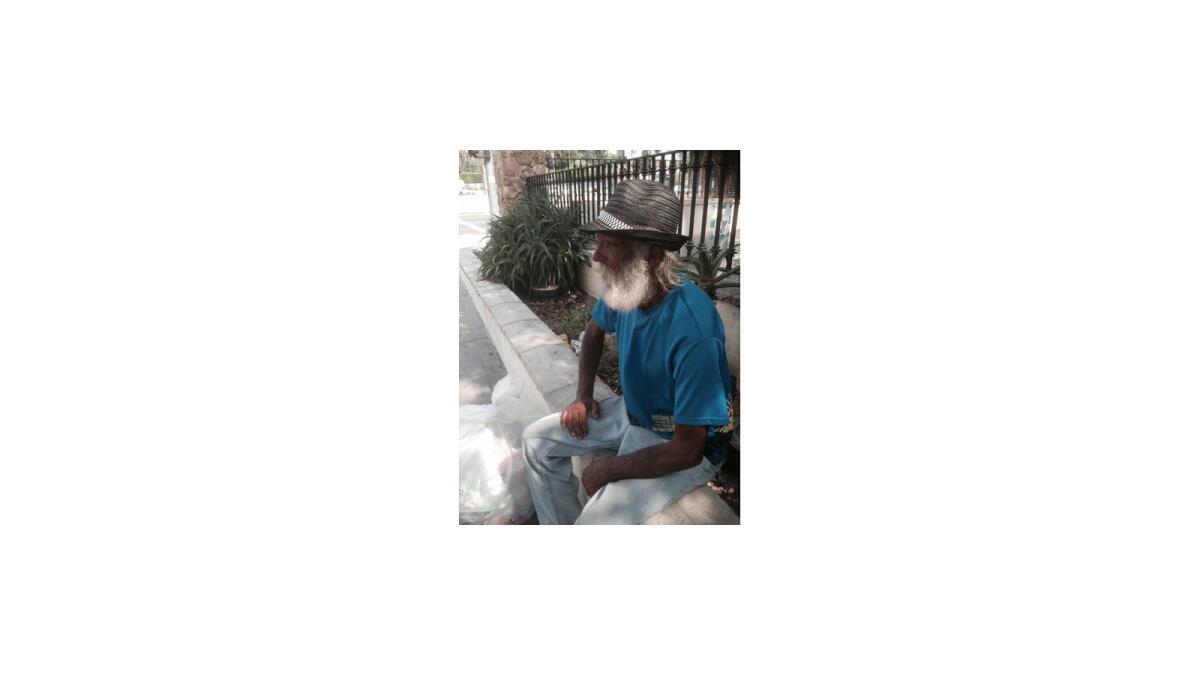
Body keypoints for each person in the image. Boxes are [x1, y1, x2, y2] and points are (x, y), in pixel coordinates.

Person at [520, 179, 735, 524]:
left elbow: (688, 449)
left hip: (680, 441)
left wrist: (609, 468)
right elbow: (592, 334)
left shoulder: (694, 330)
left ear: (650, 256)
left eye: (610, 243)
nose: (597, 255)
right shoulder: (626, 288)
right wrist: (582, 395)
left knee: (596, 522)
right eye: (599, 241)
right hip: (636, 411)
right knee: (536, 441)